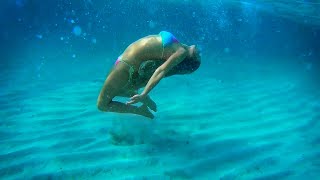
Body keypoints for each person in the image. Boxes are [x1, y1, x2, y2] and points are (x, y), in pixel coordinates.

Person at [97, 31, 201, 119]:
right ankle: (142, 100)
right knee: (117, 91)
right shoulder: (179, 45)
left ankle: (139, 110)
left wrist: (144, 93)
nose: (199, 51)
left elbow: (160, 71)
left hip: (125, 65)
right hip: (123, 62)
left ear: (189, 60)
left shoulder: (181, 52)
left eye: (198, 55)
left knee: (102, 105)